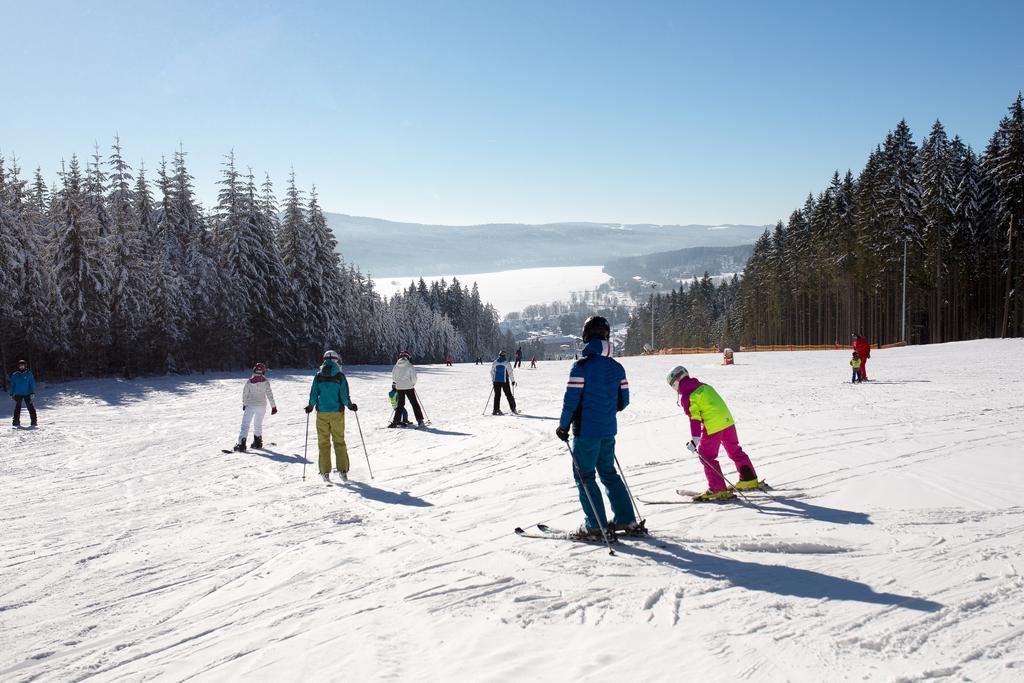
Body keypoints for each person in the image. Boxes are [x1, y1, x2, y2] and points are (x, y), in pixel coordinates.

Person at [555, 316, 638, 538]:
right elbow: (624, 400)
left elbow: (571, 401)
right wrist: (606, 411)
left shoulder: (580, 367)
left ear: (586, 336)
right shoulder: (617, 367)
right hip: (608, 430)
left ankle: (594, 525)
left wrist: (563, 426)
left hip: (586, 433)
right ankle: (626, 519)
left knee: (584, 476)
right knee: (609, 473)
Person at [667, 366, 759, 501]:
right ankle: (749, 478)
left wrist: (695, 440)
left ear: (675, 383)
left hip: (713, 425)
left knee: (706, 455)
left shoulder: (688, 395)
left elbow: (694, 418)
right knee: (734, 450)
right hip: (727, 421)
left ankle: (717, 489)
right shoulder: (704, 386)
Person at [304, 350, 358, 482]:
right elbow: (344, 396)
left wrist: (310, 406)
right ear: (336, 360)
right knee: (339, 441)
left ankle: (324, 471)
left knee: (323, 442)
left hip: (322, 413)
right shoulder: (340, 376)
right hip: (337, 414)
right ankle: (342, 470)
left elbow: (313, 394)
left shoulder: (318, 376)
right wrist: (350, 406)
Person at [234, 362, 277, 451]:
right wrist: (273, 407)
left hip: (250, 405)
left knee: (245, 424)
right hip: (262, 406)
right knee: (258, 424)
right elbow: (270, 394)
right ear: (263, 371)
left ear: (254, 370)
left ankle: (241, 444)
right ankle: (257, 442)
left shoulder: (249, 382)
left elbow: (245, 394)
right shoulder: (265, 382)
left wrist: (245, 404)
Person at [390, 351, 425, 428]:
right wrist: (412, 384)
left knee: (400, 404)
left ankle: (396, 420)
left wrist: (398, 383)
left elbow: (394, 377)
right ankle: (420, 420)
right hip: (409, 387)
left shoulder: (396, 366)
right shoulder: (409, 365)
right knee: (414, 403)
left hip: (399, 387)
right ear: (407, 357)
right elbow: (414, 377)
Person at [9, 359, 37, 427]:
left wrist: (32, 392)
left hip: (27, 394)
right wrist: (11, 394)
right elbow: (12, 385)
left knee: (30, 407)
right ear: (18, 366)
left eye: (23, 365)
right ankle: (16, 421)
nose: (21, 367)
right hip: (18, 394)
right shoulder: (15, 374)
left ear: (25, 366)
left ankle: (34, 421)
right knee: (17, 408)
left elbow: (31, 383)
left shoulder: (29, 374)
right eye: (20, 365)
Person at [490, 351, 518, 415]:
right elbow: (510, 373)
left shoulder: (495, 362)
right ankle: (513, 409)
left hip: (496, 382)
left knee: (497, 396)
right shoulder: (507, 363)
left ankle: (496, 409)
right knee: (509, 395)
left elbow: (492, 372)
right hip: (505, 382)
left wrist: (493, 380)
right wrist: (513, 381)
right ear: (505, 355)